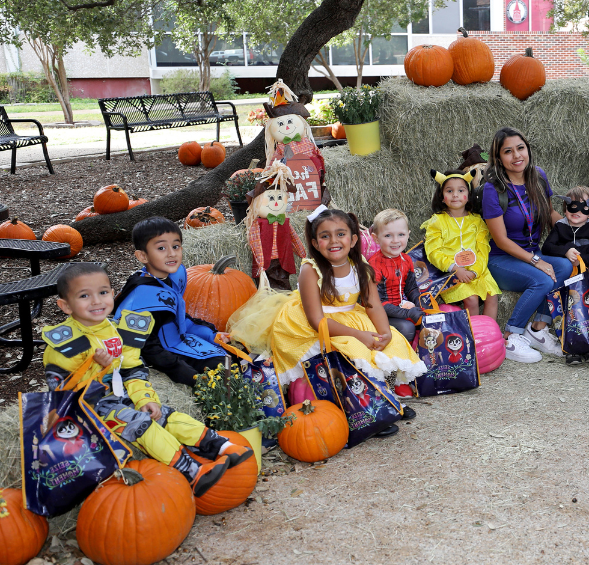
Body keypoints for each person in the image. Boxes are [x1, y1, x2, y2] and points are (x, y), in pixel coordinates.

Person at [45, 263, 250, 496]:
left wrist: (145, 399)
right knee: (141, 424)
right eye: (84, 295)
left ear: (113, 295)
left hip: (121, 397)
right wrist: (96, 370)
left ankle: (221, 445)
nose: (96, 301)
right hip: (92, 409)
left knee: (166, 415)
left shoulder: (115, 331)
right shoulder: (65, 345)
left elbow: (132, 369)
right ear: (65, 305)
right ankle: (191, 471)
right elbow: (63, 396)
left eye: (103, 293)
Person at [266, 208, 425, 414]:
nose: (334, 241)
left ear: (353, 239)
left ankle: (388, 397)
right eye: (325, 236)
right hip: (321, 325)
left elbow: (373, 305)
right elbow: (316, 321)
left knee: (393, 341)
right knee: (354, 348)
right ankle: (360, 408)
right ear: (315, 243)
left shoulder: (360, 266)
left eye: (341, 234)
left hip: (352, 317)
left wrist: (384, 332)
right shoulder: (310, 270)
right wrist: (359, 335)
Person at [482, 127, 572, 363]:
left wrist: (574, 232)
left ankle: (538, 329)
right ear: (499, 158)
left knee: (564, 266)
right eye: (508, 151)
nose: (517, 156)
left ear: (528, 149)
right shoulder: (493, 190)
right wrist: (537, 261)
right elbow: (501, 239)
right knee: (541, 279)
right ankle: (512, 335)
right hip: (501, 259)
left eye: (520, 148)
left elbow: (550, 212)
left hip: (532, 251)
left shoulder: (538, 176)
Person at [113, 217, 228, 387]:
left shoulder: (169, 277)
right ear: (142, 256)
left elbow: (179, 317)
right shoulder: (142, 298)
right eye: (161, 248)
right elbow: (146, 348)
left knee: (234, 356)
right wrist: (184, 372)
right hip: (160, 352)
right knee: (222, 370)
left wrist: (212, 335)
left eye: (176, 246)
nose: (172, 253)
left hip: (175, 338)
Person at [540, 186, 589, 365]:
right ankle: (572, 348)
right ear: (565, 209)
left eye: (583, 208)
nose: (576, 211)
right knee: (571, 312)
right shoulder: (560, 226)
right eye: (572, 207)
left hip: (588, 277)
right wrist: (565, 252)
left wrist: (581, 260)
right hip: (568, 281)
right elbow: (546, 248)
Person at [422, 170, 500, 319]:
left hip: (477, 270)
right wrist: (455, 268)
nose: (455, 195)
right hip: (449, 272)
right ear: (442, 197)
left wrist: (475, 271)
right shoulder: (437, 221)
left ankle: (490, 334)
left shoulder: (477, 221)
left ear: (469, 195)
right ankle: (473, 335)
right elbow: (433, 251)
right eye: (449, 191)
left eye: (460, 190)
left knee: (492, 295)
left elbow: (483, 249)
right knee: (471, 298)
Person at [368, 208, 423, 342]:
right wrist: (407, 313)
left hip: (400, 307)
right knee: (408, 328)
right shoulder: (374, 264)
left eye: (401, 234)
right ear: (376, 238)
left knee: (429, 319)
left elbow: (411, 288)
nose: (395, 240)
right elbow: (378, 302)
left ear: (408, 234)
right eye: (388, 236)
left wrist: (420, 303)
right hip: (380, 314)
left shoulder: (407, 259)